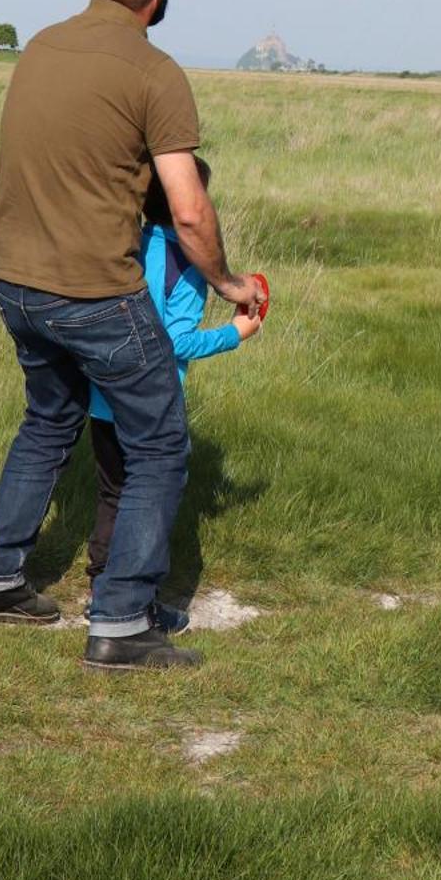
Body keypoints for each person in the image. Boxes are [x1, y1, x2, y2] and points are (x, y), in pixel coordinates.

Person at [0, 0, 263, 671]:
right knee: (159, 443)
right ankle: (123, 620)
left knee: (48, 420)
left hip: (16, 285)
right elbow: (186, 209)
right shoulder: (154, 72)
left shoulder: (41, 47)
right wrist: (228, 286)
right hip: (94, 292)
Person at [86, 158, 262, 627]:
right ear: (192, 202)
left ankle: (100, 586)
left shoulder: (130, 245)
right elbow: (176, 342)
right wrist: (235, 333)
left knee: (112, 494)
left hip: (102, 397)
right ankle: (133, 604)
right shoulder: (185, 264)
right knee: (150, 496)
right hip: (151, 398)